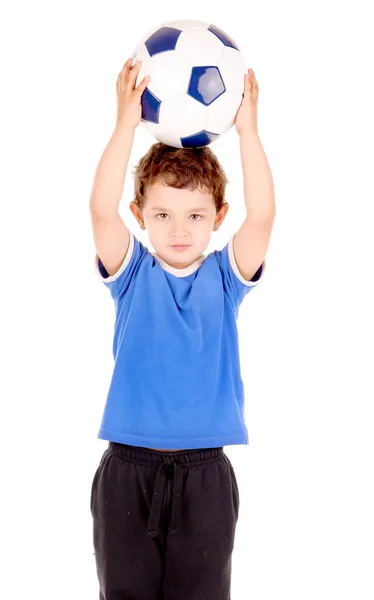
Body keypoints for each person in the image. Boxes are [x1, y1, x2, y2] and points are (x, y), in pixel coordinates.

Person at [89, 58, 275, 599]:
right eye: (162, 214)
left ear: (218, 216)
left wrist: (249, 131)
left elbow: (261, 217)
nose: (177, 229)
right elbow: (100, 211)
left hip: (206, 478)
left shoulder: (225, 278)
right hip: (127, 470)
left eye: (194, 215)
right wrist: (125, 124)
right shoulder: (131, 275)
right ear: (140, 213)